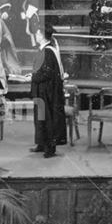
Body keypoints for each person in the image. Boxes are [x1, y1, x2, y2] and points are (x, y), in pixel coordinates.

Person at [30, 25, 67, 157]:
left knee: (47, 119)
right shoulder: (45, 49)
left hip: (47, 91)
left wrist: (32, 77)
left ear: (42, 36)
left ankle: (49, 148)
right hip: (42, 89)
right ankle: (41, 143)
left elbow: (46, 73)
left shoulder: (48, 51)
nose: (36, 35)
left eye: (38, 33)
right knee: (40, 118)